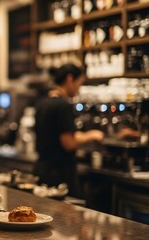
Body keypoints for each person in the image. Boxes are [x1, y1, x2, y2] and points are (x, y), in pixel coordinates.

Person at [34, 64, 104, 197]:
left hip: (42, 170)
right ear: (70, 79)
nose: (79, 89)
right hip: (59, 174)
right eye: (79, 83)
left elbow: (55, 133)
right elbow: (68, 143)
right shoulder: (63, 105)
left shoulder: (42, 102)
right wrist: (91, 135)